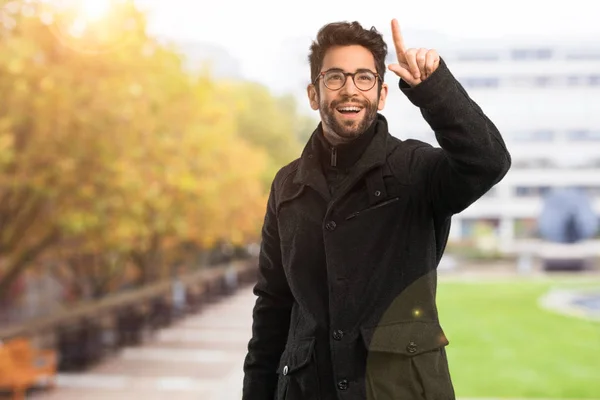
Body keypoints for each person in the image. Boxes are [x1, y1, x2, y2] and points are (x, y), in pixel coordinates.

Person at [242, 19, 511, 400]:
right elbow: (272, 305)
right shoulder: (287, 186)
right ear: (314, 93)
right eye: (334, 77)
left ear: (382, 94)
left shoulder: (416, 171)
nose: (350, 89)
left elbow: (489, 161)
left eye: (364, 78)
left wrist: (434, 90)